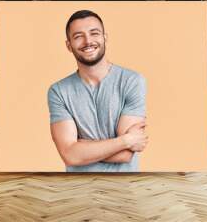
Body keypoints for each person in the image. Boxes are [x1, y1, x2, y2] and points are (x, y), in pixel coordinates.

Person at [48, 10, 148, 172]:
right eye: (78, 36)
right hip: (77, 188)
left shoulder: (132, 81)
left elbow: (125, 155)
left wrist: (81, 147)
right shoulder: (58, 91)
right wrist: (126, 140)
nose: (88, 41)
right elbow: (70, 155)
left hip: (124, 187)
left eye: (94, 33)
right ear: (69, 45)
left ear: (104, 37)